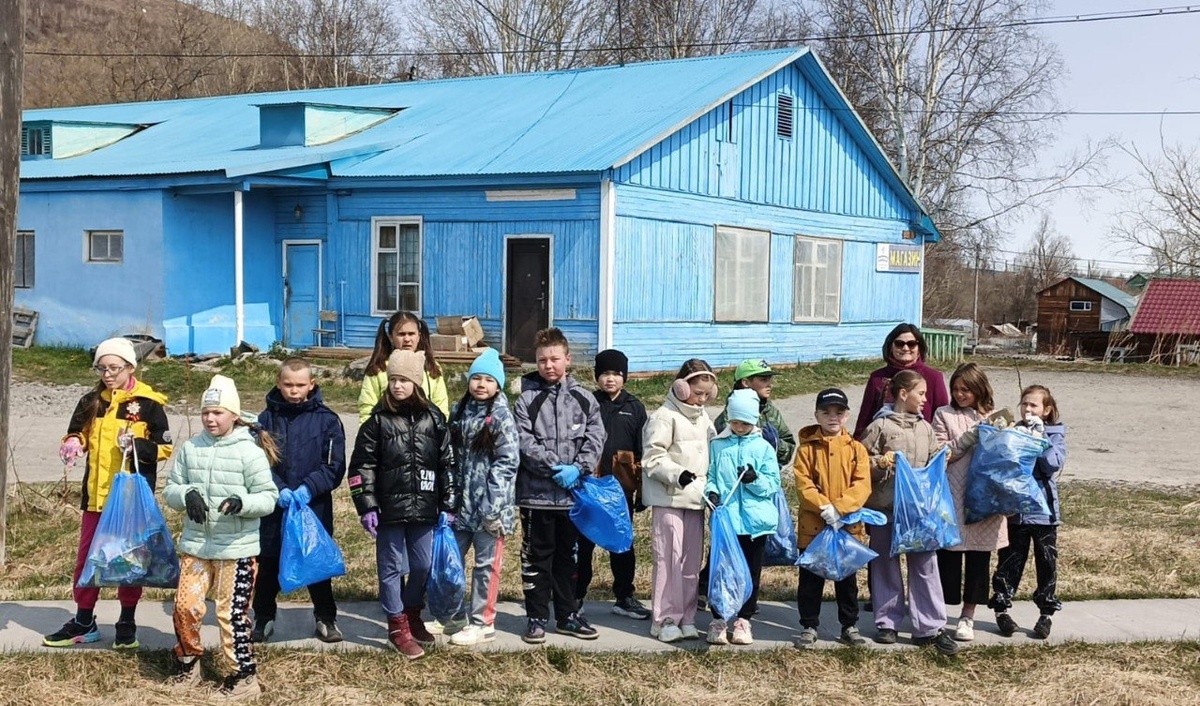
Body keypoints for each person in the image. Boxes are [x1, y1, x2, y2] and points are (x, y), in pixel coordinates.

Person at [44, 337, 173, 650]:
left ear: (130, 367)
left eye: (114, 367)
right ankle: (84, 620)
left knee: (130, 559)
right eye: (102, 367)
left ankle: (126, 621)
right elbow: (78, 431)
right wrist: (74, 443)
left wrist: (137, 447)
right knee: (88, 559)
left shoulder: (149, 404)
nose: (107, 373)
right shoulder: (91, 401)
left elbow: (165, 447)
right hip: (95, 497)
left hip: (129, 499)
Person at [164, 375, 280, 699]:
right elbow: (170, 488)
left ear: (233, 414)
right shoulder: (190, 449)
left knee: (230, 614)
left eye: (218, 412)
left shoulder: (250, 452)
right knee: (185, 606)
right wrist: (186, 495)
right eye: (206, 413)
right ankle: (188, 664)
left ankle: (244, 677)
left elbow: (268, 497)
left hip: (237, 548)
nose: (211, 419)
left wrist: (243, 503)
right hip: (197, 545)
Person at [349, 350, 457, 660]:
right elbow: (361, 467)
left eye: (404, 380)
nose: (398, 386)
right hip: (389, 511)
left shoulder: (434, 418)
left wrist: (448, 504)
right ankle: (396, 626)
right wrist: (366, 506)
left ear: (417, 382)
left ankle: (412, 613)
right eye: (393, 380)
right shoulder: (377, 423)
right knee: (391, 568)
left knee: (422, 565)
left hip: (424, 507)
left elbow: (447, 463)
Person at [513, 327, 606, 644]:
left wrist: (577, 468)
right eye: (542, 360)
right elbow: (524, 443)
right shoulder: (526, 400)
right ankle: (537, 617)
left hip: (572, 497)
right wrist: (555, 467)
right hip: (536, 498)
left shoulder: (585, 399)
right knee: (537, 559)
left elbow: (596, 439)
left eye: (554, 359)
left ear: (567, 359)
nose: (548, 365)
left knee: (569, 558)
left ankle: (567, 615)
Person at [859, 370, 958, 656]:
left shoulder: (924, 428)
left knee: (925, 565)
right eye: (922, 394)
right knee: (885, 564)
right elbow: (859, 462)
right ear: (903, 395)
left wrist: (943, 454)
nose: (926, 400)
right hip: (886, 509)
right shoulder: (879, 427)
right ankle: (887, 622)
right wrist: (879, 463)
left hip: (919, 514)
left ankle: (929, 627)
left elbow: (933, 456)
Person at [252, 357, 347, 644]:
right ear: (278, 383)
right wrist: (277, 488)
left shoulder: (328, 420)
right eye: (288, 384)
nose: (294, 391)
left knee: (315, 562)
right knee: (268, 563)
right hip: (275, 505)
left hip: (312, 506)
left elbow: (334, 466)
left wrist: (309, 488)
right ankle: (264, 616)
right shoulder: (264, 421)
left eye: (300, 385)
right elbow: (257, 463)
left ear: (311, 385)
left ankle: (326, 617)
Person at [444, 349, 520, 647]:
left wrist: (493, 506)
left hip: (491, 511)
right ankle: (451, 615)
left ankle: (482, 621)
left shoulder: (501, 417)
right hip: (460, 507)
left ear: (498, 385)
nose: (481, 384)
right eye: (476, 378)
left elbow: (507, 463)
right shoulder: (459, 411)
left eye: (488, 379)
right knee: (450, 562)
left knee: (486, 566)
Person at [641, 359, 718, 643]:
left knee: (690, 562)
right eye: (697, 392)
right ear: (682, 387)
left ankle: (687, 616)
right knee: (668, 559)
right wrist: (677, 475)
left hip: (695, 500)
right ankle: (664, 619)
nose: (702, 399)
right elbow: (652, 456)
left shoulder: (703, 417)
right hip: (670, 498)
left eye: (707, 394)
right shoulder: (664, 416)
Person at [931, 363, 1007, 643]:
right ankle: (939, 612)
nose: (960, 394)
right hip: (953, 494)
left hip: (985, 497)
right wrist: (967, 438)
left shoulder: (993, 415)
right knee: (947, 555)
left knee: (979, 558)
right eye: (956, 389)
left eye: (966, 389)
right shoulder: (943, 414)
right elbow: (940, 454)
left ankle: (968, 615)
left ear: (979, 389)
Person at [576, 348, 651, 621]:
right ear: (597, 376)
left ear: (625, 377)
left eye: (616, 374)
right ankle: (575, 596)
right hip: (590, 487)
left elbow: (643, 452)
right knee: (583, 544)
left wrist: (642, 490)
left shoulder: (634, 408)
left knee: (622, 543)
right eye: (605, 374)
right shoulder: (587, 403)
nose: (610, 380)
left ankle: (624, 596)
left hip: (620, 491)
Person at [793, 388, 872, 648]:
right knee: (811, 580)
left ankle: (849, 625)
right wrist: (823, 507)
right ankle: (809, 625)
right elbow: (804, 484)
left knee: (847, 580)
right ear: (816, 414)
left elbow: (862, 485)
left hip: (847, 527)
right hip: (814, 527)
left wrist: (840, 509)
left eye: (839, 412)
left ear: (847, 415)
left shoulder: (857, 450)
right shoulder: (806, 450)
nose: (832, 417)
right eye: (826, 412)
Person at [703, 388, 780, 646]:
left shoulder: (763, 448)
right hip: (727, 521)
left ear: (754, 421)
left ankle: (744, 619)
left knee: (750, 572)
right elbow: (711, 476)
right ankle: (718, 620)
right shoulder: (718, 446)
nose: (739, 427)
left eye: (745, 423)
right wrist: (712, 494)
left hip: (755, 524)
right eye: (735, 422)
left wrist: (754, 480)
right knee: (721, 571)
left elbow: (773, 484)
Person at [989, 384, 1067, 640]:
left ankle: (1046, 613)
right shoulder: (1014, 431)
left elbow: (1052, 465)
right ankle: (1001, 609)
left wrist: (1040, 439)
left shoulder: (1053, 434)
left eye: (1034, 405)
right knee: (1010, 560)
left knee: (1047, 562)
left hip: (1043, 513)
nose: (1028, 409)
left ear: (1047, 410)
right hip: (1015, 512)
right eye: (1024, 404)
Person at [854, 323, 950, 438]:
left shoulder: (934, 377)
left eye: (911, 344)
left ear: (919, 347)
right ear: (890, 346)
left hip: (922, 444)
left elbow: (942, 418)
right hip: (884, 447)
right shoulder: (877, 378)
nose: (905, 348)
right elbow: (865, 418)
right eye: (899, 344)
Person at [358, 311, 450, 420]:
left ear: (419, 336)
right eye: (401, 334)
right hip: (388, 432)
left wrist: (441, 430)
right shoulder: (379, 368)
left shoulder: (431, 367)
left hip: (424, 432)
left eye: (411, 334)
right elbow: (367, 407)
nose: (407, 339)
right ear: (391, 337)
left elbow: (441, 406)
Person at [714, 359, 796, 467]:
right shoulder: (730, 417)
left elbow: (788, 450)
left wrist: (777, 445)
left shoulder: (770, 411)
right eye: (763, 380)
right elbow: (725, 457)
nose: (769, 385)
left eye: (769, 380)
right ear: (746, 383)